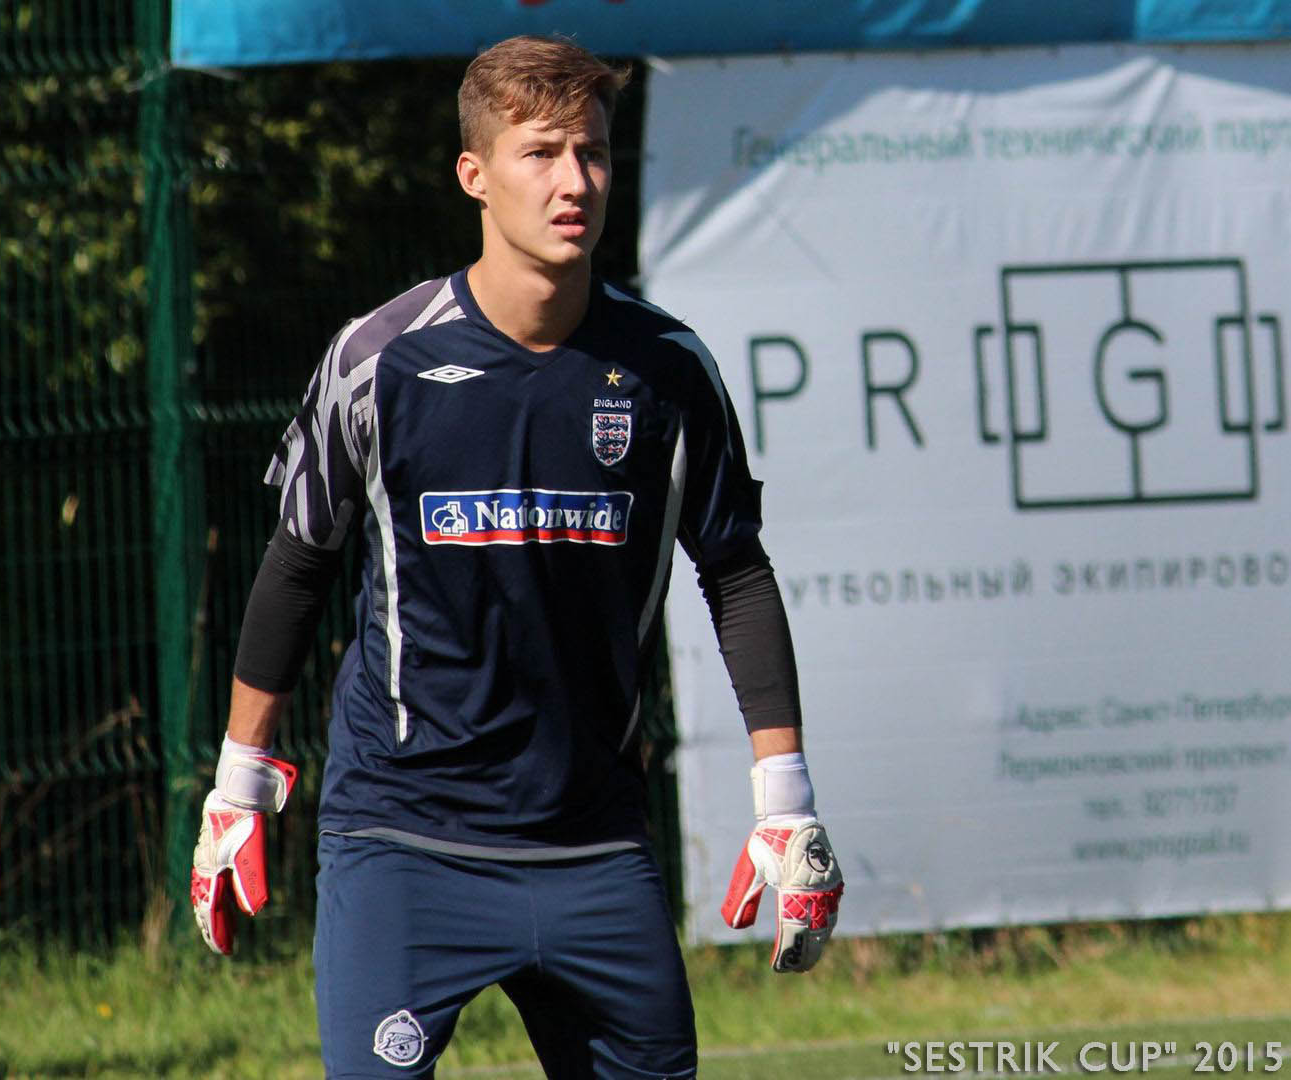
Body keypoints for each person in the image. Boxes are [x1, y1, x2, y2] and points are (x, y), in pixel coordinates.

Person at [189, 34, 844, 1078]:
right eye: (539, 153)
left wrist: (786, 802)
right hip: (403, 843)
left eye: (591, 152)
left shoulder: (669, 372)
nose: (573, 181)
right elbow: (299, 563)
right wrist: (237, 785)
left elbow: (735, 573)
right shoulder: (378, 360)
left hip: (594, 844)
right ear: (474, 175)